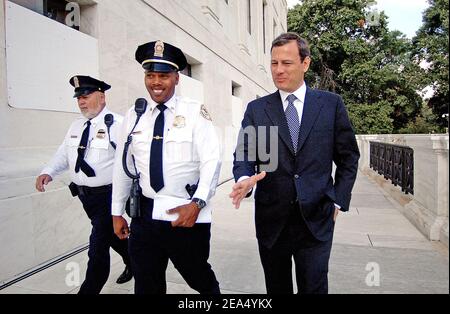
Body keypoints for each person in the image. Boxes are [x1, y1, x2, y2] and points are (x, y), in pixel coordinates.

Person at [230, 32, 360, 294]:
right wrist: (244, 180)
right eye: (274, 63)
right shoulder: (257, 109)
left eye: (286, 63)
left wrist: (338, 199)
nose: (278, 70)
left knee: (314, 288)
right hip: (272, 221)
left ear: (305, 63)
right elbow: (245, 153)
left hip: (316, 221)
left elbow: (348, 158)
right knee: (276, 289)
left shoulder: (331, 105)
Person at [111, 40, 221, 294]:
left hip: (185, 213)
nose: (156, 83)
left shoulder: (195, 113)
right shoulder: (134, 115)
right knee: (146, 284)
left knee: (200, 279)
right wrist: (117, 212)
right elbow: (122, 167)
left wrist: (198, 203)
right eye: (150, 75)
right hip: (145, 217)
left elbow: (211, 161)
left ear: (177, 78)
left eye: (163, 76)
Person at [35, 75, 133, 294]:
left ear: (102, 97)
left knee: (97, 247)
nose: (81, 101)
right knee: (110, 236)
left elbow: (130, 163)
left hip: (108, 196)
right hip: (85, 197)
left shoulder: (117, 124)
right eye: (78, 97)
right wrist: (48, 171)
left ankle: (89, 290)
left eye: (86, 96)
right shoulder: (76, 126)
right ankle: (132, 259)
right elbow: (64, 154)